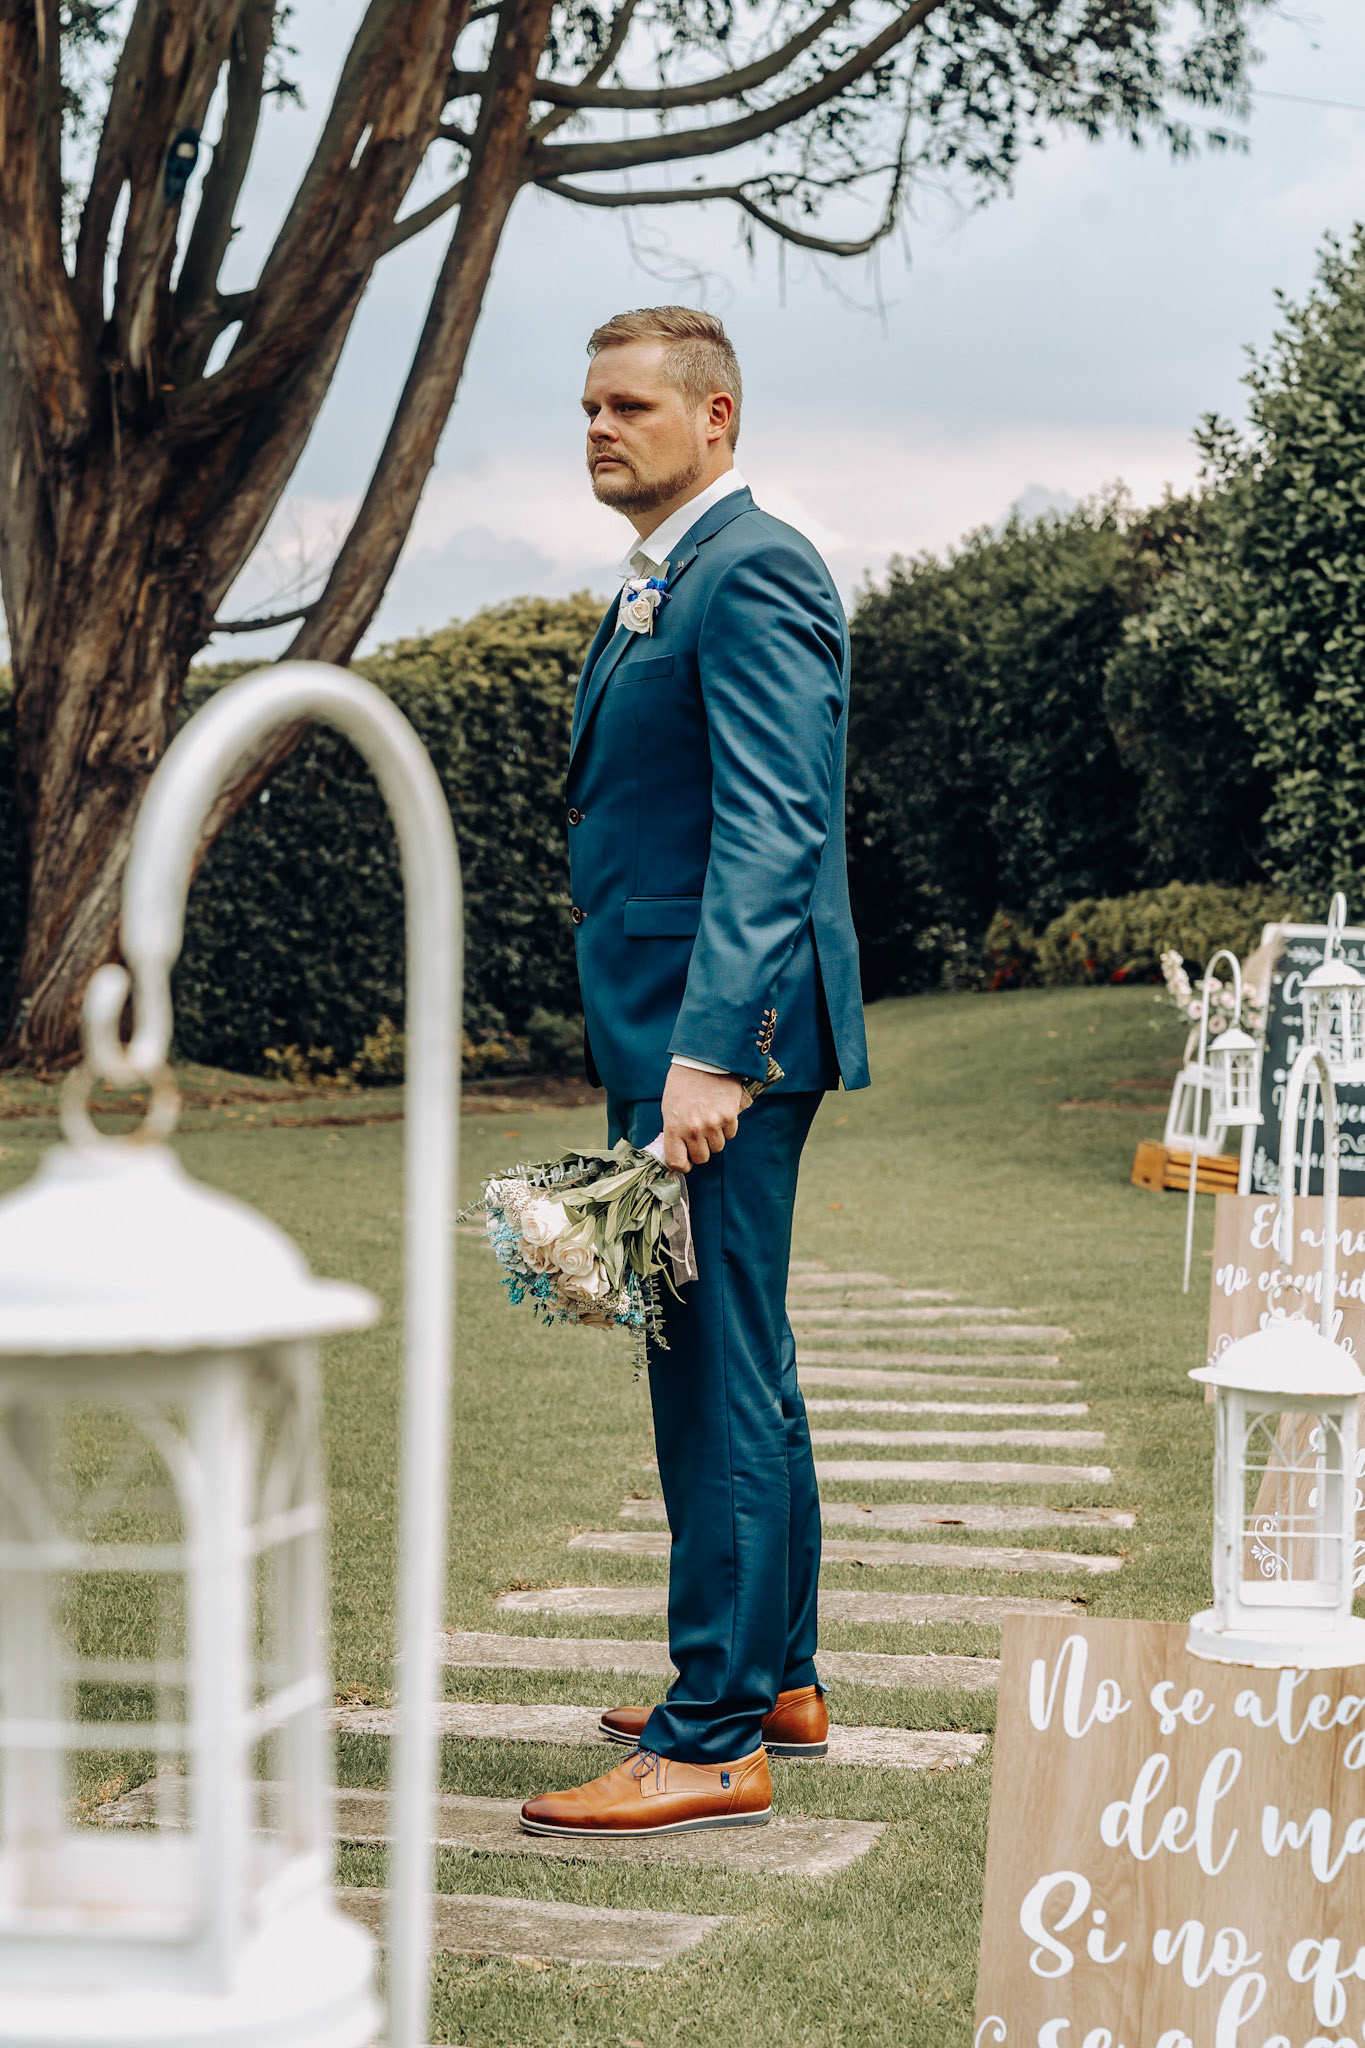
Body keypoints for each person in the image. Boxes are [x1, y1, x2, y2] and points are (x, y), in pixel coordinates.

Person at [519, 305, 869, 1839]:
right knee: (742, 1356)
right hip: (666, 1028)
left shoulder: (752, 568)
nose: (600, 428)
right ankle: (775, 1679)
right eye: (589, 407)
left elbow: (774, 824)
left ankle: (711, 1734)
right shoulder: (664, 574)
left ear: (715, 417)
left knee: (710, 1368)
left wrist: (713, 1051)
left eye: (632, 406)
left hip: (714, 1046)